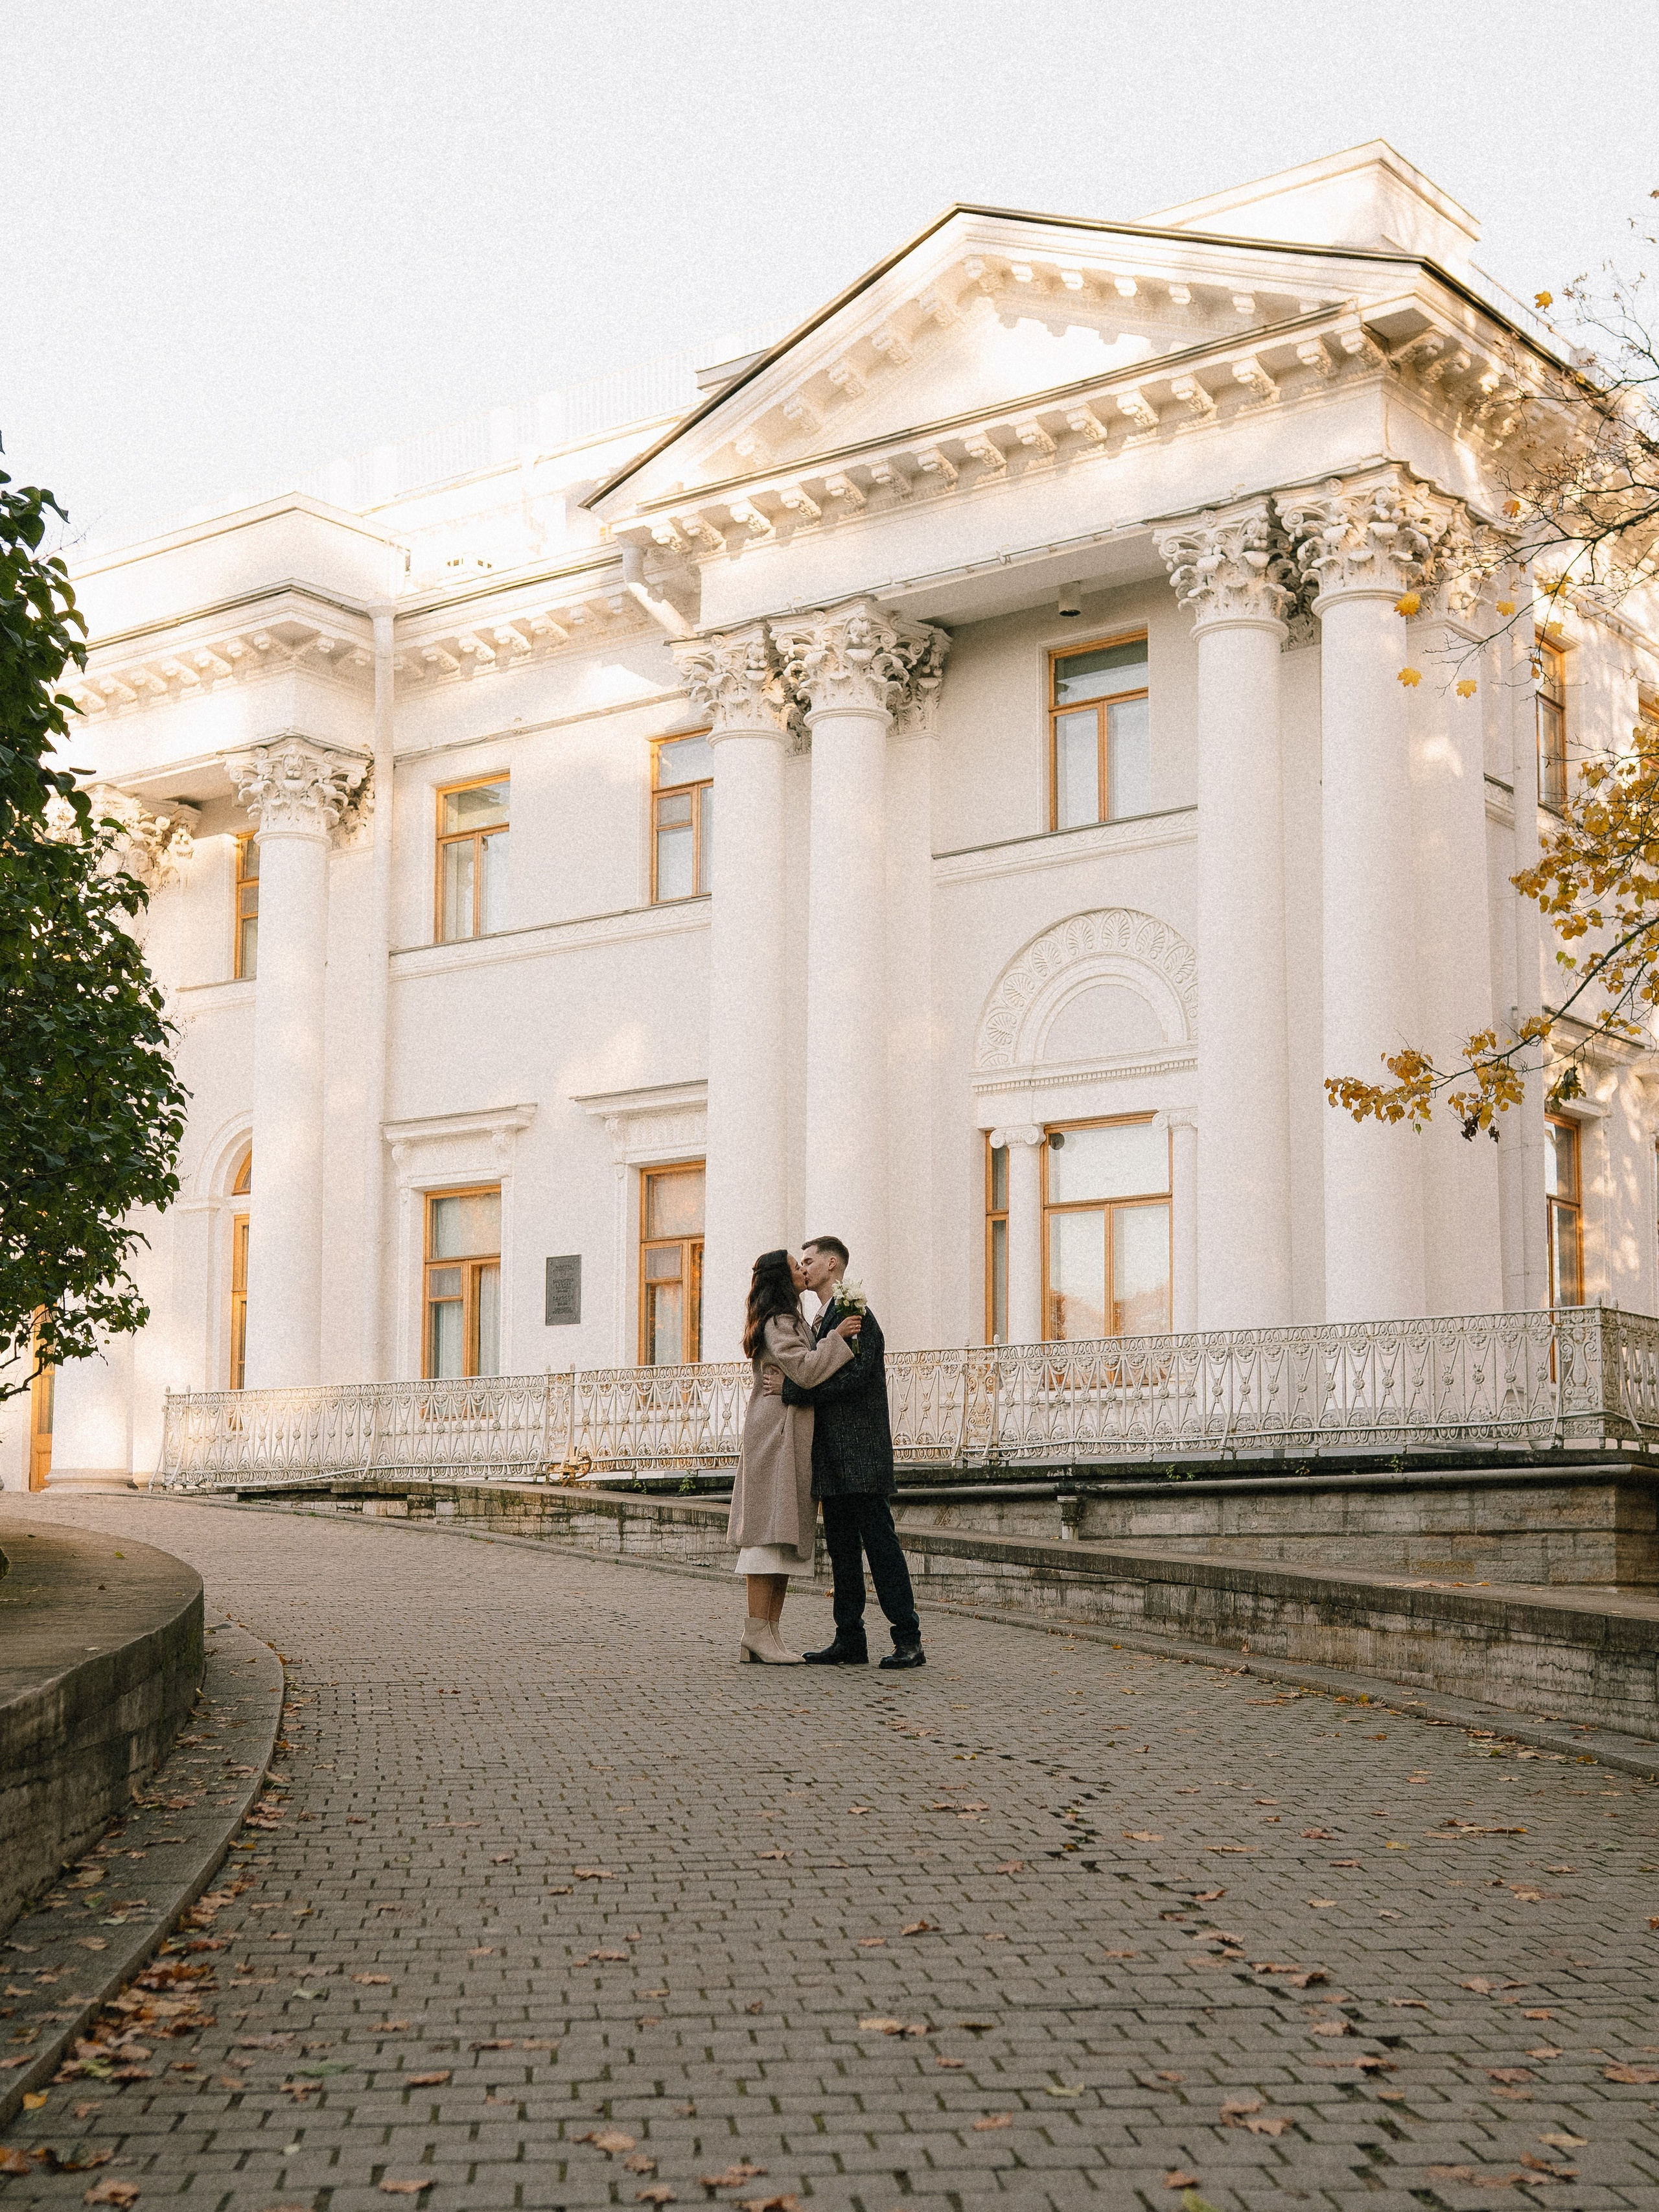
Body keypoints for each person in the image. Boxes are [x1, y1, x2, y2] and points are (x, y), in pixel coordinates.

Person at [776, 1235, 925, 1670]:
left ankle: (908, 1638)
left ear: (832, 1262)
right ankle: (849, 1638)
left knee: (880, 1547)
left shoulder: (853, 1310)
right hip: (831, 1454)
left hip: (861, 1451)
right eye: (799, 1262)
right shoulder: (823, 1318)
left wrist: (796, 1392)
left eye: (808, 1260)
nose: (802, 1268)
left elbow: (856, 1377)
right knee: (841, 1549)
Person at [728, 1248, 863, 1664]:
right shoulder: (778, 1322)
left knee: (783, 1537)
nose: (803, 1270)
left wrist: (814, 1355)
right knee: (767, 1535)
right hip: (775, 1432)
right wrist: (837, 1341)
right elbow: (804, 1370)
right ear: (781, 1280)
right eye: (795, 1267)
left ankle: (769, 1634)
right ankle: (756, 1631)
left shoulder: (790, 1320)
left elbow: (800, 1371)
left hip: (789, 1429)